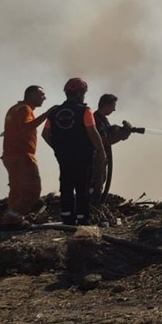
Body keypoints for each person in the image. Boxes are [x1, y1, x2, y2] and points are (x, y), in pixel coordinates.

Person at [42, 77, 106, 226]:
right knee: (83, 186)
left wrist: (58, 148)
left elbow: (45, 134)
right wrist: (101, 152)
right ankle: (83, 218)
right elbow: (93, 132)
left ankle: (67, 217)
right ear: (80, 93)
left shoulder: (54, 112)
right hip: (83, 156)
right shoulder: (84, 111)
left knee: (66, 185)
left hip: (63, 157)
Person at [0, 85, 58, 228]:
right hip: (22, 156)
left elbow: (13, 130)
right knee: (32, 191)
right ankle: (11, 219)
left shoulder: (14, 109)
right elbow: (26, 127)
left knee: (17, 190)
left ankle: (14, 221)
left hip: (10, 155)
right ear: (31, 95)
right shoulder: (25, 109)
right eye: (41, 95)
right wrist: (47, 114)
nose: (44, 98)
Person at [92, 93, 141, 205]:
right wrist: (120, 136)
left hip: (101, 158)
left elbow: (109, 134)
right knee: (96, 185)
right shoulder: (96, 119)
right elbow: (103, 141)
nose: (114, 109)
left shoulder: (103, 119)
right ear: (107, 105)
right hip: (95, 159)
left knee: (101, 181)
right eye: (113, 106)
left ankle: (94, 206)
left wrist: (123, 133)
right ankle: (91, 208)